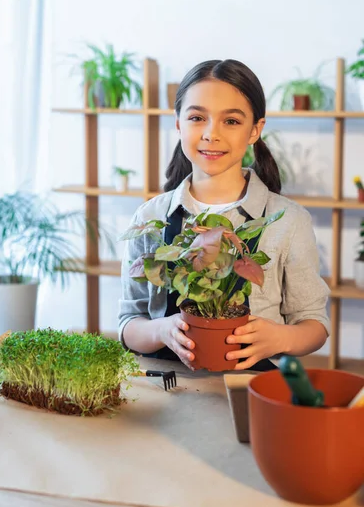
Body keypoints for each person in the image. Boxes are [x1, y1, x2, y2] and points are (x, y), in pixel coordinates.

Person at [118, 59, 330, 371]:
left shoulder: (288, 220)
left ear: (255, 130)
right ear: (178, 123)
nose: (211, 134)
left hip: (252, 390)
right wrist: (161, 330)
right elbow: (128, 323)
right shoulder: (151, 215)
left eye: (230, 121)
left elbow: (314, 325)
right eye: (197, 117)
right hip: (166, 390)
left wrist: (280, 338)